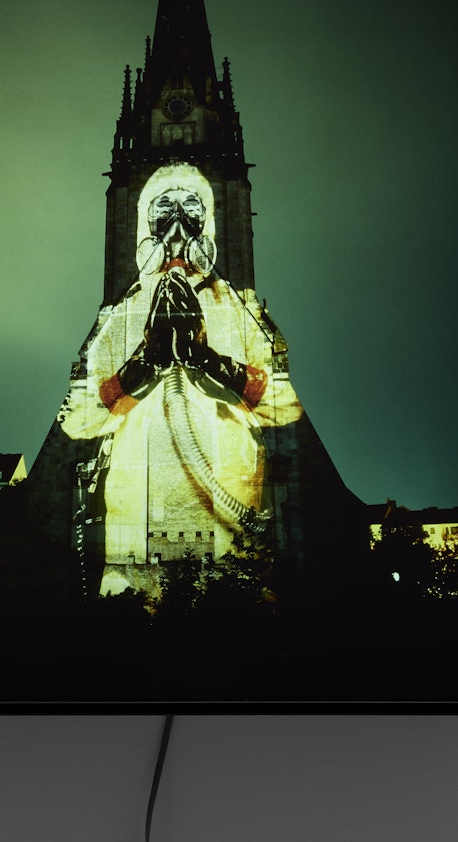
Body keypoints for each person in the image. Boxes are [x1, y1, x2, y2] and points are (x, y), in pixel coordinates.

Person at [60, 163, 302, 596]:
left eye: (191, 207)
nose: (177, 224)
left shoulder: (236, 309)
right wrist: (143, 363)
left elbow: (282, 405)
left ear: (210, 219)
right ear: (143, 224)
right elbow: (78, 420)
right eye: (162, 208)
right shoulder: (125, 311)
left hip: (230, 527)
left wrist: (209, 359)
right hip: (131, 546)